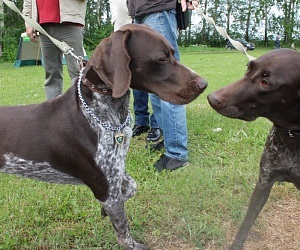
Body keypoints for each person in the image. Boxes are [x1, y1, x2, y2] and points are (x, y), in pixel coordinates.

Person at [127, 0, 198, 171]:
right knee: (155, 85)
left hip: (158, 9)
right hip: (142, 12)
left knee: (169, 83)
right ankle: (169, 142)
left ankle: (177, 154)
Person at [23, 0, 87, 99]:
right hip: (43, 26)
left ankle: (82, 109)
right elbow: (28, 2)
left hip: (70, 22)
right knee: (51, 73)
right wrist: (29, 23)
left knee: (78, 73)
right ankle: (53, 110)